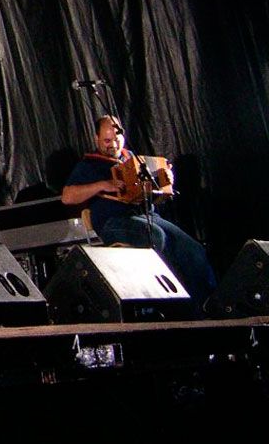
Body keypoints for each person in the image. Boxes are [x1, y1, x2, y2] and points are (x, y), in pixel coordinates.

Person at [61, 115, 215, 307]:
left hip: (147, 216)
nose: (112, 145)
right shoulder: (89, 165)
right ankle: (172, 306)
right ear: (96, 139)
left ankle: (205, 305)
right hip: (113, 221)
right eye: (107, 141)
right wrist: (103, 184)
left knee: (192, 249)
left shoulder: (133, 160)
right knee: (155, 236)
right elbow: (67, 196)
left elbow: (155, 194)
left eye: (116, 139)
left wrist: (164, 180)